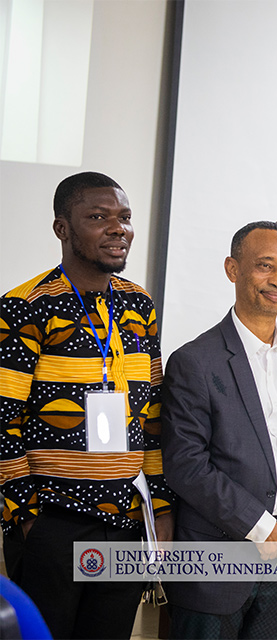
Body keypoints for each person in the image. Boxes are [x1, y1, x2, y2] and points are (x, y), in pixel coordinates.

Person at [0, 171, 174, 639]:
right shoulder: (24, 307)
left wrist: (158, 509)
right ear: (62, 229)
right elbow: (2, 422)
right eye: (98, 217)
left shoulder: (140, 305)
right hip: (54, 522)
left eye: (125, 218)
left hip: (124, 520)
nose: (118, 229)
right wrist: (27, 519)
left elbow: (152, 417)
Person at [161, 222, 277, 638]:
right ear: (232, 269)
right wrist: (260, 526)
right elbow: (186, 466)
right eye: (265, 266)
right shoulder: (194, 361)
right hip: (217, 564)